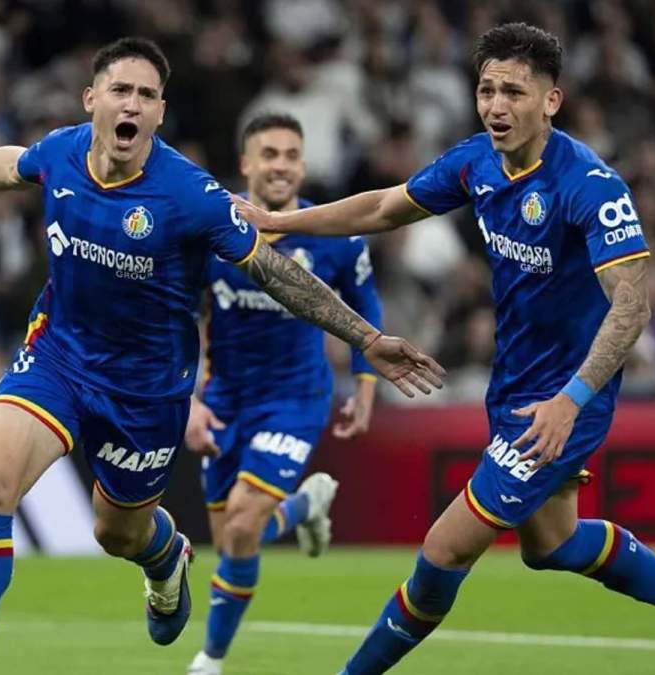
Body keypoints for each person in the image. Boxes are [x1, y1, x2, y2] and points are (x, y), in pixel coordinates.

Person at [0, 37, 443, 675]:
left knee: (115, 533)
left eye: (147, 95)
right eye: (121, 90)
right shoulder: (64, 151)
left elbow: (273, 270)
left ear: (160, 113)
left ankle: (163, 556)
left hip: (146, 392)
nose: (133, 104)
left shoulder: (189, 195)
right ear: (93, 99)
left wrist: (365, 340)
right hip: (58, 357)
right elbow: (17, 164)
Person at [233, 23, 655, 675]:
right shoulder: (475, 161)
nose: (497, 106)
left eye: (514, 91)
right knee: (551, 541)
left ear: (551, 101)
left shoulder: (590, 186)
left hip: (567, 398)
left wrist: (571, 399)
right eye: (486, 90)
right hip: (515, 388)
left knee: (444, 549)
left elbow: (633, 305)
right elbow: (384, 208)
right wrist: (281, 220)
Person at [185, 113, 383, 675]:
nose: (280, 165)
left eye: (291, 155)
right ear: (245, 163)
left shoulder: (334, 236)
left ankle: (210, 660)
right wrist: (190, 398)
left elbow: (366, 309)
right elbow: (183, 312)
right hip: (224, 396)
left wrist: (365, 385)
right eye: (268, 153)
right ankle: (304, 505)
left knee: (245, 525)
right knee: (232, 545)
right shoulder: (211, 228)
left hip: (296, 399)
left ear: (302, 164)